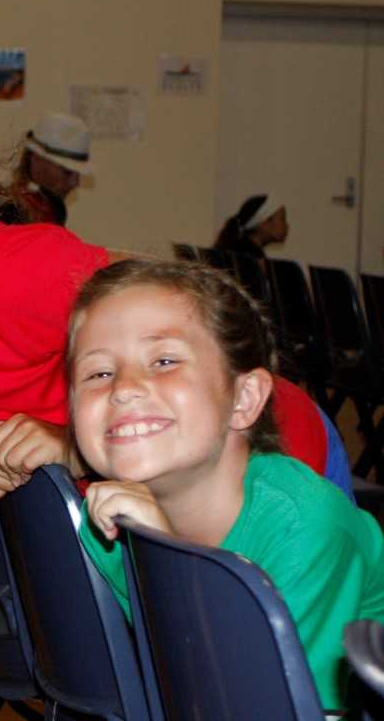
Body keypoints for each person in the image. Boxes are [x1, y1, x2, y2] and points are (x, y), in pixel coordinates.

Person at [0, 63, 350, 505]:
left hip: (265, 463)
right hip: (139, 503)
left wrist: (74, 450)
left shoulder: (22, 276)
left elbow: (210, 319)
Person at [72, 259, 384, 711]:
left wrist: (166, 559)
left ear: (244, 399)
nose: (124, 388)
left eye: (163, 361)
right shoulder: (108, 523)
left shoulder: (305, 531)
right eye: (98, 373)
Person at [8, 111, 94, 227]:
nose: (75, 182)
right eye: (67, 172)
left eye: (78, 173)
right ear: (37, 159)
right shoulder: (9, 212)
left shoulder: (49, 209)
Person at [214, 193, 288, 257]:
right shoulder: (252, 257)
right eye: (282, 219)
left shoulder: (240, 251)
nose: (287, 226)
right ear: (264, 223)